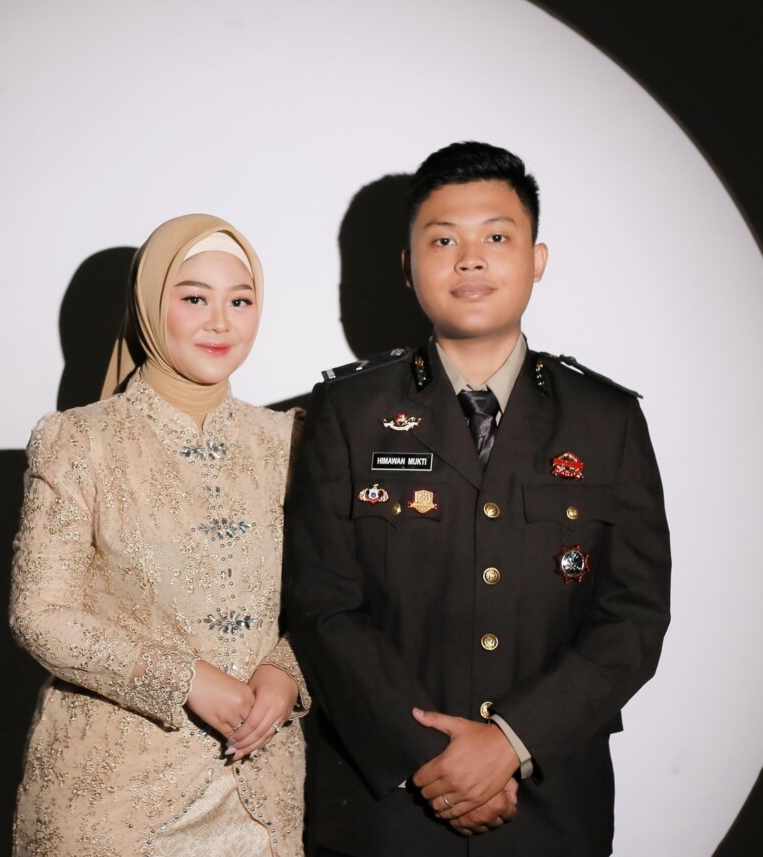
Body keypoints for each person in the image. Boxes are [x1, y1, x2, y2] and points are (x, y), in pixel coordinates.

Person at [285, 142, 671, 856]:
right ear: (408, 266)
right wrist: (430, 757)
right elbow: (322, 605)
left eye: (496, 237)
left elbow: (634, 616)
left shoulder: (606, 420)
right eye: (443, 241)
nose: (470, 260)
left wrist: (511, 742)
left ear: (537, 259)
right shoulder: (349, 413)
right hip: (385, 812)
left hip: (551, 814)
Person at [10, 215, 311, 857]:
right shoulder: (79, 440)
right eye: (195, 298)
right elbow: (40, 614)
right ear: (150, 304)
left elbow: (329, 596)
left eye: (240, 301)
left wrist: (286, 671)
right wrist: (185, 679)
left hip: (259, 797)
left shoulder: (289, 442)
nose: (220, 322)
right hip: (113, 801)